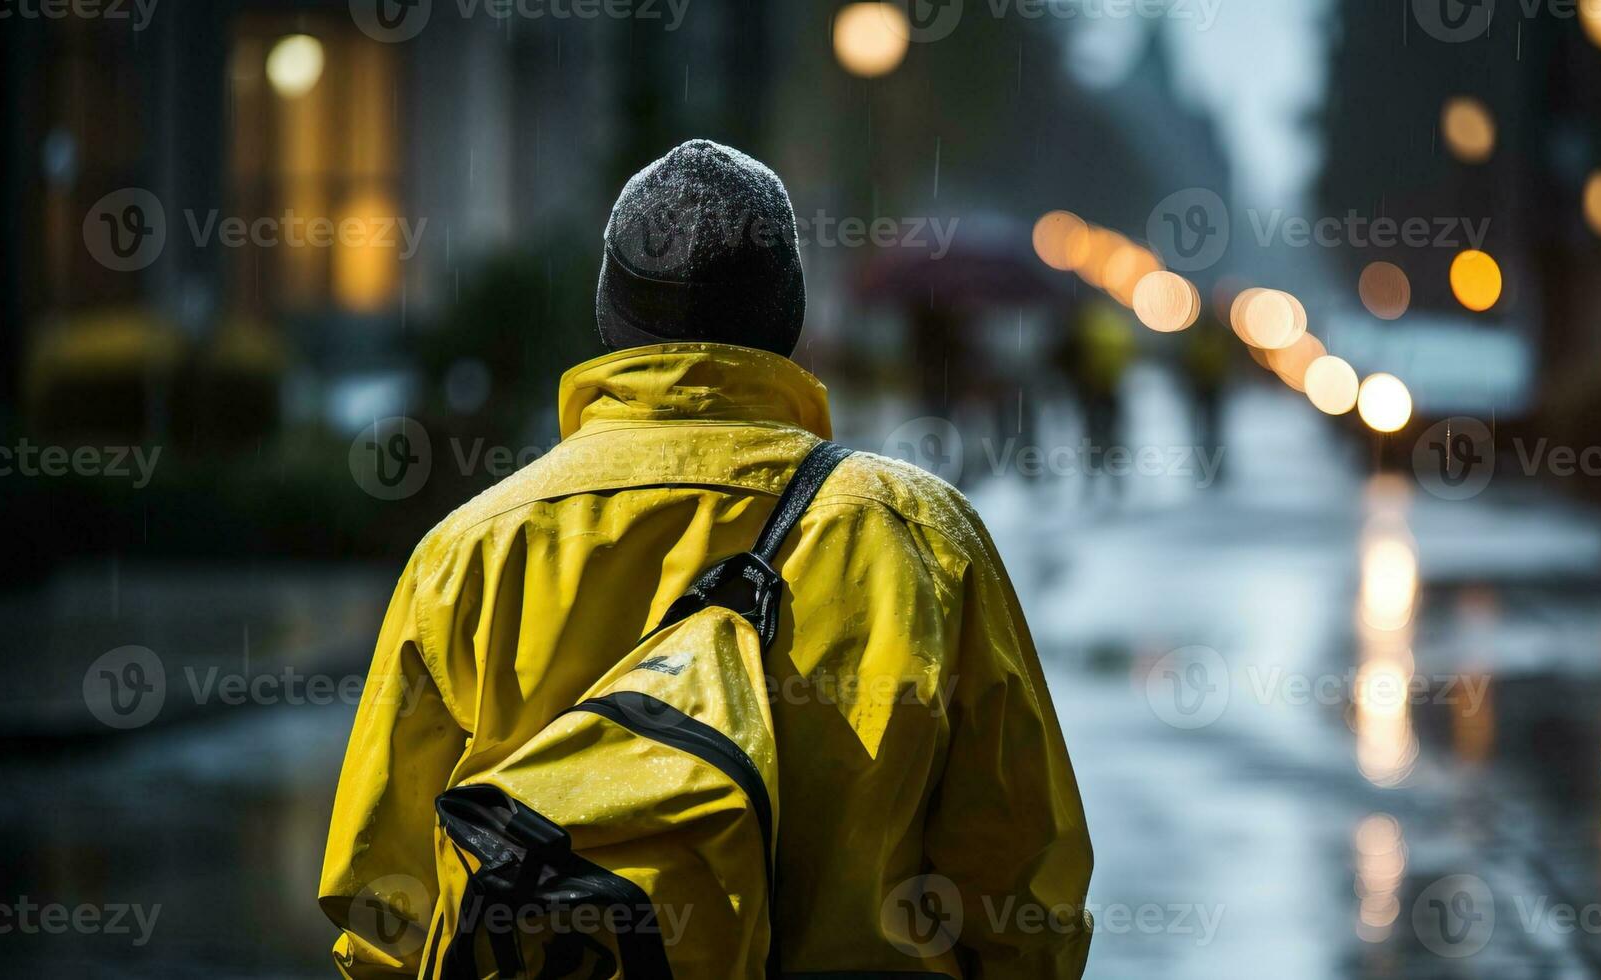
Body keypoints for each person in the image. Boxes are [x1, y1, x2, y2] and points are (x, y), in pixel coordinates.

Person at [318, 140, 1093, 977]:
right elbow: (1026, 893)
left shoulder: (468, 554)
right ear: (788, 320)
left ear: (610, 321)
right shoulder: (920, 538)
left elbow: (383, 910)